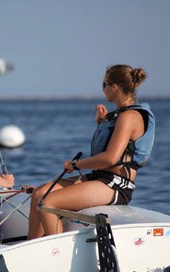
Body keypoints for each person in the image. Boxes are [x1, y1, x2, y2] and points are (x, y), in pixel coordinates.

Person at [28, 64, 155, 239]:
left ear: (114, 87)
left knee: (49, 202)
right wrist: (102, 124)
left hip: (116, 184)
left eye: (104, 85)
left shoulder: (129, 117)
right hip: (99, 178)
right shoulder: (119, 115)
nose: (103, 90)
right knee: (39, 194)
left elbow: (110, 158)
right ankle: (32, 247)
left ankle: (58, 258)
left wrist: (75, 164)